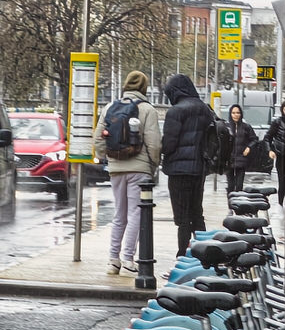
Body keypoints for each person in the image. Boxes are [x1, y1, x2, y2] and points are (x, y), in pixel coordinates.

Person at [92, 70, 161, 276]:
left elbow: (97, 139)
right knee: (136, 214)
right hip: (139, 169)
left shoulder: (110, 107)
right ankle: (129, 258)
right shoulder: (147, 109)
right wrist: (153, 165)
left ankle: (113, 260)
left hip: (115, 168)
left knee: (119, 214)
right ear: (144, 88)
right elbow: (154, 143)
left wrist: (107, 157)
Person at [159, 73, 215, 254]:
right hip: (199, 169)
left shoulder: (176, 111)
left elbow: (169, 143)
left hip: (178, 170)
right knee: (197, 212)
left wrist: (161, 151)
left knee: (182, 217)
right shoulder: (205, 109)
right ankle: (204, 253)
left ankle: (182, 253)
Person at [225, 104, 258, 195]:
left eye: (238, 113)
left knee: (239, 185)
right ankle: (231, 205)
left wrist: (249, 147)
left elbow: (254, 139)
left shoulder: (246, 127)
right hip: (229, 160)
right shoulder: (226, 127)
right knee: (230, 185)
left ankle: (238, 205)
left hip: (242, 158)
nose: (236, 115)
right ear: (230, 114)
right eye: (233, 113)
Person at [265, 101, 285, 204]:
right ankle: (280, 203)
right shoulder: (277, 122)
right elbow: (267, 137)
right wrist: (270, 150)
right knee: (282, 182)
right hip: (281, 155)